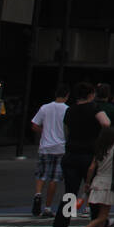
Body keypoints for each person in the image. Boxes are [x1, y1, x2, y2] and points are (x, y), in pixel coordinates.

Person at [53, 82, 108, 227]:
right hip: (89, 154)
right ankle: (96, 226)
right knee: (93, 191)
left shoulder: (70, 110)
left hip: (71, 154)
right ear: (91, 94)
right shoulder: (94, 109)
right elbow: (106, 123)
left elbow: (66, 130)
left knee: (69, 193)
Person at [30, 84, 71, 218]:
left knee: (41, 174)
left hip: (45, 146)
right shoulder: (67, 110)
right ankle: (47, 207)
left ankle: (37, 194)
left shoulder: (45, 108)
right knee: (54, 178)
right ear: (67, 96)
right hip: (60, 147)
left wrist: (44, 132)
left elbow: (35, 125)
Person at [78, 125, 114, 227]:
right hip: (108, 182)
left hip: (97, 180)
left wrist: (87, 183)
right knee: (104, 214)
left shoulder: (100, 149)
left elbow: (91, 168)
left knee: (102, 211)